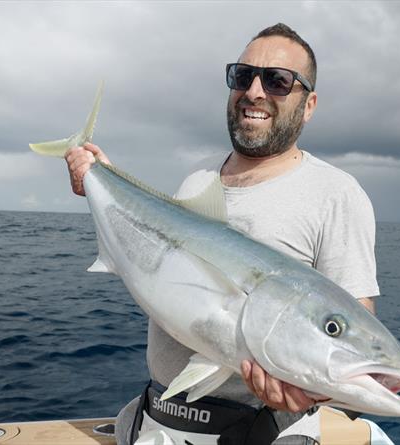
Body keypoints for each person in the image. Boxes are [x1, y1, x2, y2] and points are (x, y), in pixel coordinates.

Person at [66, 23, 380, 445]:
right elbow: (160, 278)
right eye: (241, 75)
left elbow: (350, 327)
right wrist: (99, 178)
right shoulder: (198, 177)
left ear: (309, 104)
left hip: (265, 433)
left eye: (277, 81)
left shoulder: (336, 193)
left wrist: (312, 389)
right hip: (161, 421)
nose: (254, 91)